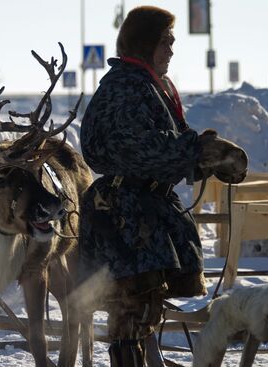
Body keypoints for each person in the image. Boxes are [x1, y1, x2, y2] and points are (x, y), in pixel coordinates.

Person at [77, 6, 236, 366]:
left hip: (144, 209)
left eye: (172, 41)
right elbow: (140, 147)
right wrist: (197, 151)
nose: (171, 49)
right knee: (130, 310)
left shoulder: (148, 83)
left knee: (143, 309)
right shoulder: (127, 87)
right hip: (124, 215)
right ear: (145, 42)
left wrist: (201, 155)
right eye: (166, 41)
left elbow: (165, 143)